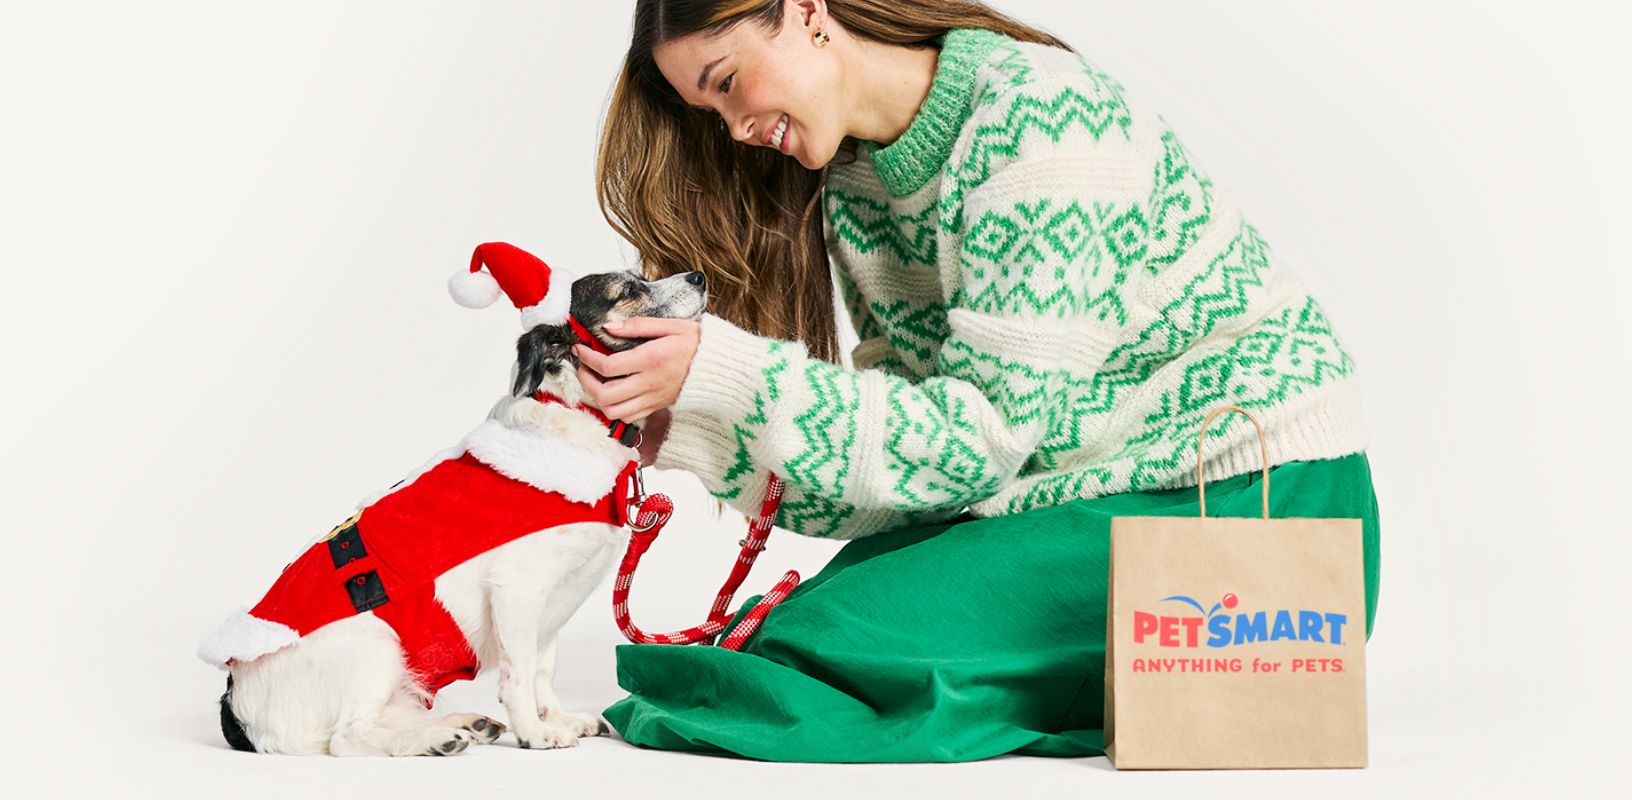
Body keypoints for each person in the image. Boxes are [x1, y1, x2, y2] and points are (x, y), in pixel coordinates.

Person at [574, 0, 1380, 762]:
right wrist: (687, 428)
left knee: (803, 659)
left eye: (726, 84)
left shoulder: (1044, 118)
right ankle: (1050, 690)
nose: (738, 129)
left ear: (807, 10)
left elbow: (975, 443)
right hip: (1086, 496)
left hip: (1255, 500)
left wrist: (725, 369)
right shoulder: (857, 192)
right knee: (776, 641)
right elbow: (913, 479)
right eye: (711, 114)